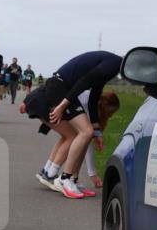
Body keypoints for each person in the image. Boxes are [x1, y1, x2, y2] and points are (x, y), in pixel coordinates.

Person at [22, 51, 121, 199]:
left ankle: (72, 180)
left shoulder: (110, 65)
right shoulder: (114, 64)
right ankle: (64, 179)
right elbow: (84, 82)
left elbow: (94, 98)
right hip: (61, 87)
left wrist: (98, 132)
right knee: (84, 132)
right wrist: (62, 106)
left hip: (62, 86)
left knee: (87, 133)